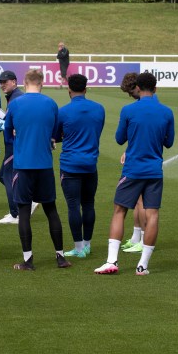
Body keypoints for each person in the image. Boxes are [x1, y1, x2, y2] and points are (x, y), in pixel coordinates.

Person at [95, 72, 174, 276]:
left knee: (119, 210)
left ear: (138, 87)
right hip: (154, 170)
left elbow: (120, 138)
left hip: (132, 169)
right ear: (155, 89)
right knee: (153, 214)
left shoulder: (129, 110)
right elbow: (169, 142)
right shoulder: (166, 112)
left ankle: (112, 261)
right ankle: (143, 266)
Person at [4, 69, 70, 271]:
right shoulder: (50, 103)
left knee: (24, 212)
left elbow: (7, 132)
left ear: (24, 82)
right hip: (44, 165)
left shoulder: (15, 103)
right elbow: (55, 133)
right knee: (51, 210)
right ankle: (60, 257)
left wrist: (18, 135)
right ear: (41, 83)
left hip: (23, 165)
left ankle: (28, 260)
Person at [54, 73, 105, 258]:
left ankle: (78, 248)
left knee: (73, 206)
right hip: (91, 164)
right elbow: (97, 131)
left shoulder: (63, 112)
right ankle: (87, 244)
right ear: (86, 88)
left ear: (69, 89)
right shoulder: (99, 109)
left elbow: (57, 135)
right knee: (89, 204)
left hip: (70, 165)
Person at [118, 72, 147, 252]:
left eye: (131, 92)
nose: (130, 96)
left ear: (138, 87)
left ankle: (144, 239)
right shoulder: (143, 104)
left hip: (142, 160)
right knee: (137, 201)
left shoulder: (145, 105)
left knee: (143, 201)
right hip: (137, 155)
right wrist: (127, 151)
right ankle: (137, 236)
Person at [0, 70, 23, 225]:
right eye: (1, 82)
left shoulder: (16, 98)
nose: (2, 85)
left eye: (5, 82)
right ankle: (24, 203)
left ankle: (16, 213)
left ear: (14, 82)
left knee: (7, 176)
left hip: (14, 145)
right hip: (13, 145)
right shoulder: (14, 97)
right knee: (4, 176)